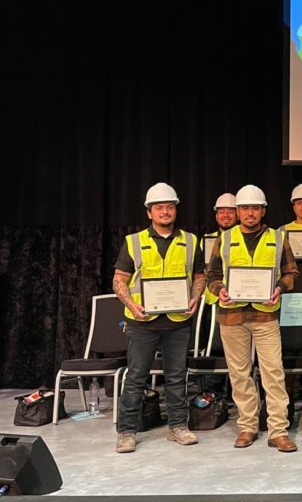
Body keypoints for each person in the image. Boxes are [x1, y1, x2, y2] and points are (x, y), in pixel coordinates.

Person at [205, 184, 300, 452]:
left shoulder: (278, 238)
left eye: (255, 208)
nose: (249, 213)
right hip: (231, 316)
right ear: (237, 211)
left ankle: (278, 431)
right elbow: (212, 275)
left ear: (263, 210)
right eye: (245, 208)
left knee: (273, 372)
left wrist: (279, 287)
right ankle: (247, 427)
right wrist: (219, 290)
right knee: (240, 374)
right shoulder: (224, 239)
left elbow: (291, 272)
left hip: (265, 316)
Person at [111, 182, 203, 453]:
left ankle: (178, 427)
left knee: (176, 376)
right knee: (136, 377)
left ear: (176, 210)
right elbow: (119, 280)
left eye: (170, 206)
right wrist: (131, 304)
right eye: (159, 207)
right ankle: (126, 432)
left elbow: (199, 277)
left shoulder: (190, 240)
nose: (165, 211)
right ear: (149, 212)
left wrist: (196, 297)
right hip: (142, 322)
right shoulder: (134, 241)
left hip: (177, 320)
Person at [199, 193, 238, 394]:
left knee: (238, 350)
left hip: (236, 302)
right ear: (216, 216)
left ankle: (235, 391)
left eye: (230, 211)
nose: (225, 215)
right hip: (211, 303)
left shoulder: (244, 240)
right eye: (221, 211)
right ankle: (213, 392)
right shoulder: (205, 241)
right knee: (212, 347)